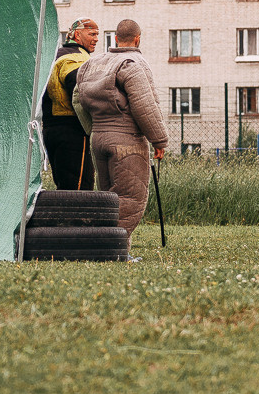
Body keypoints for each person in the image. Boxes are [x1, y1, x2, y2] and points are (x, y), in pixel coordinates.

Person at [72, 19, 168, 236]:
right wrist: (159, 140)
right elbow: (144, 104)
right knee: (130, 198)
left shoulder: (92, 64)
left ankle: (105, 245)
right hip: (127, 141)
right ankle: (115, 247)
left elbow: (77, 98)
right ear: (137, 39)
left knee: (107, 197)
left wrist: (94, 129)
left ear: (115, 38)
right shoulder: (132, 63)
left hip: (99, 140)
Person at [42, 17, 99, 191]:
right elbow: (78, 85)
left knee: (64, 187)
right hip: (73, 130)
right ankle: (75, 220)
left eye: (97, 34)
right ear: (76, 35)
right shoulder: (77, 57)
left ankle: (61, 219)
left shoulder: (55, 55)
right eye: (92, 34)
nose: (96, 38)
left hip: (50, 129)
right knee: (79, 189)